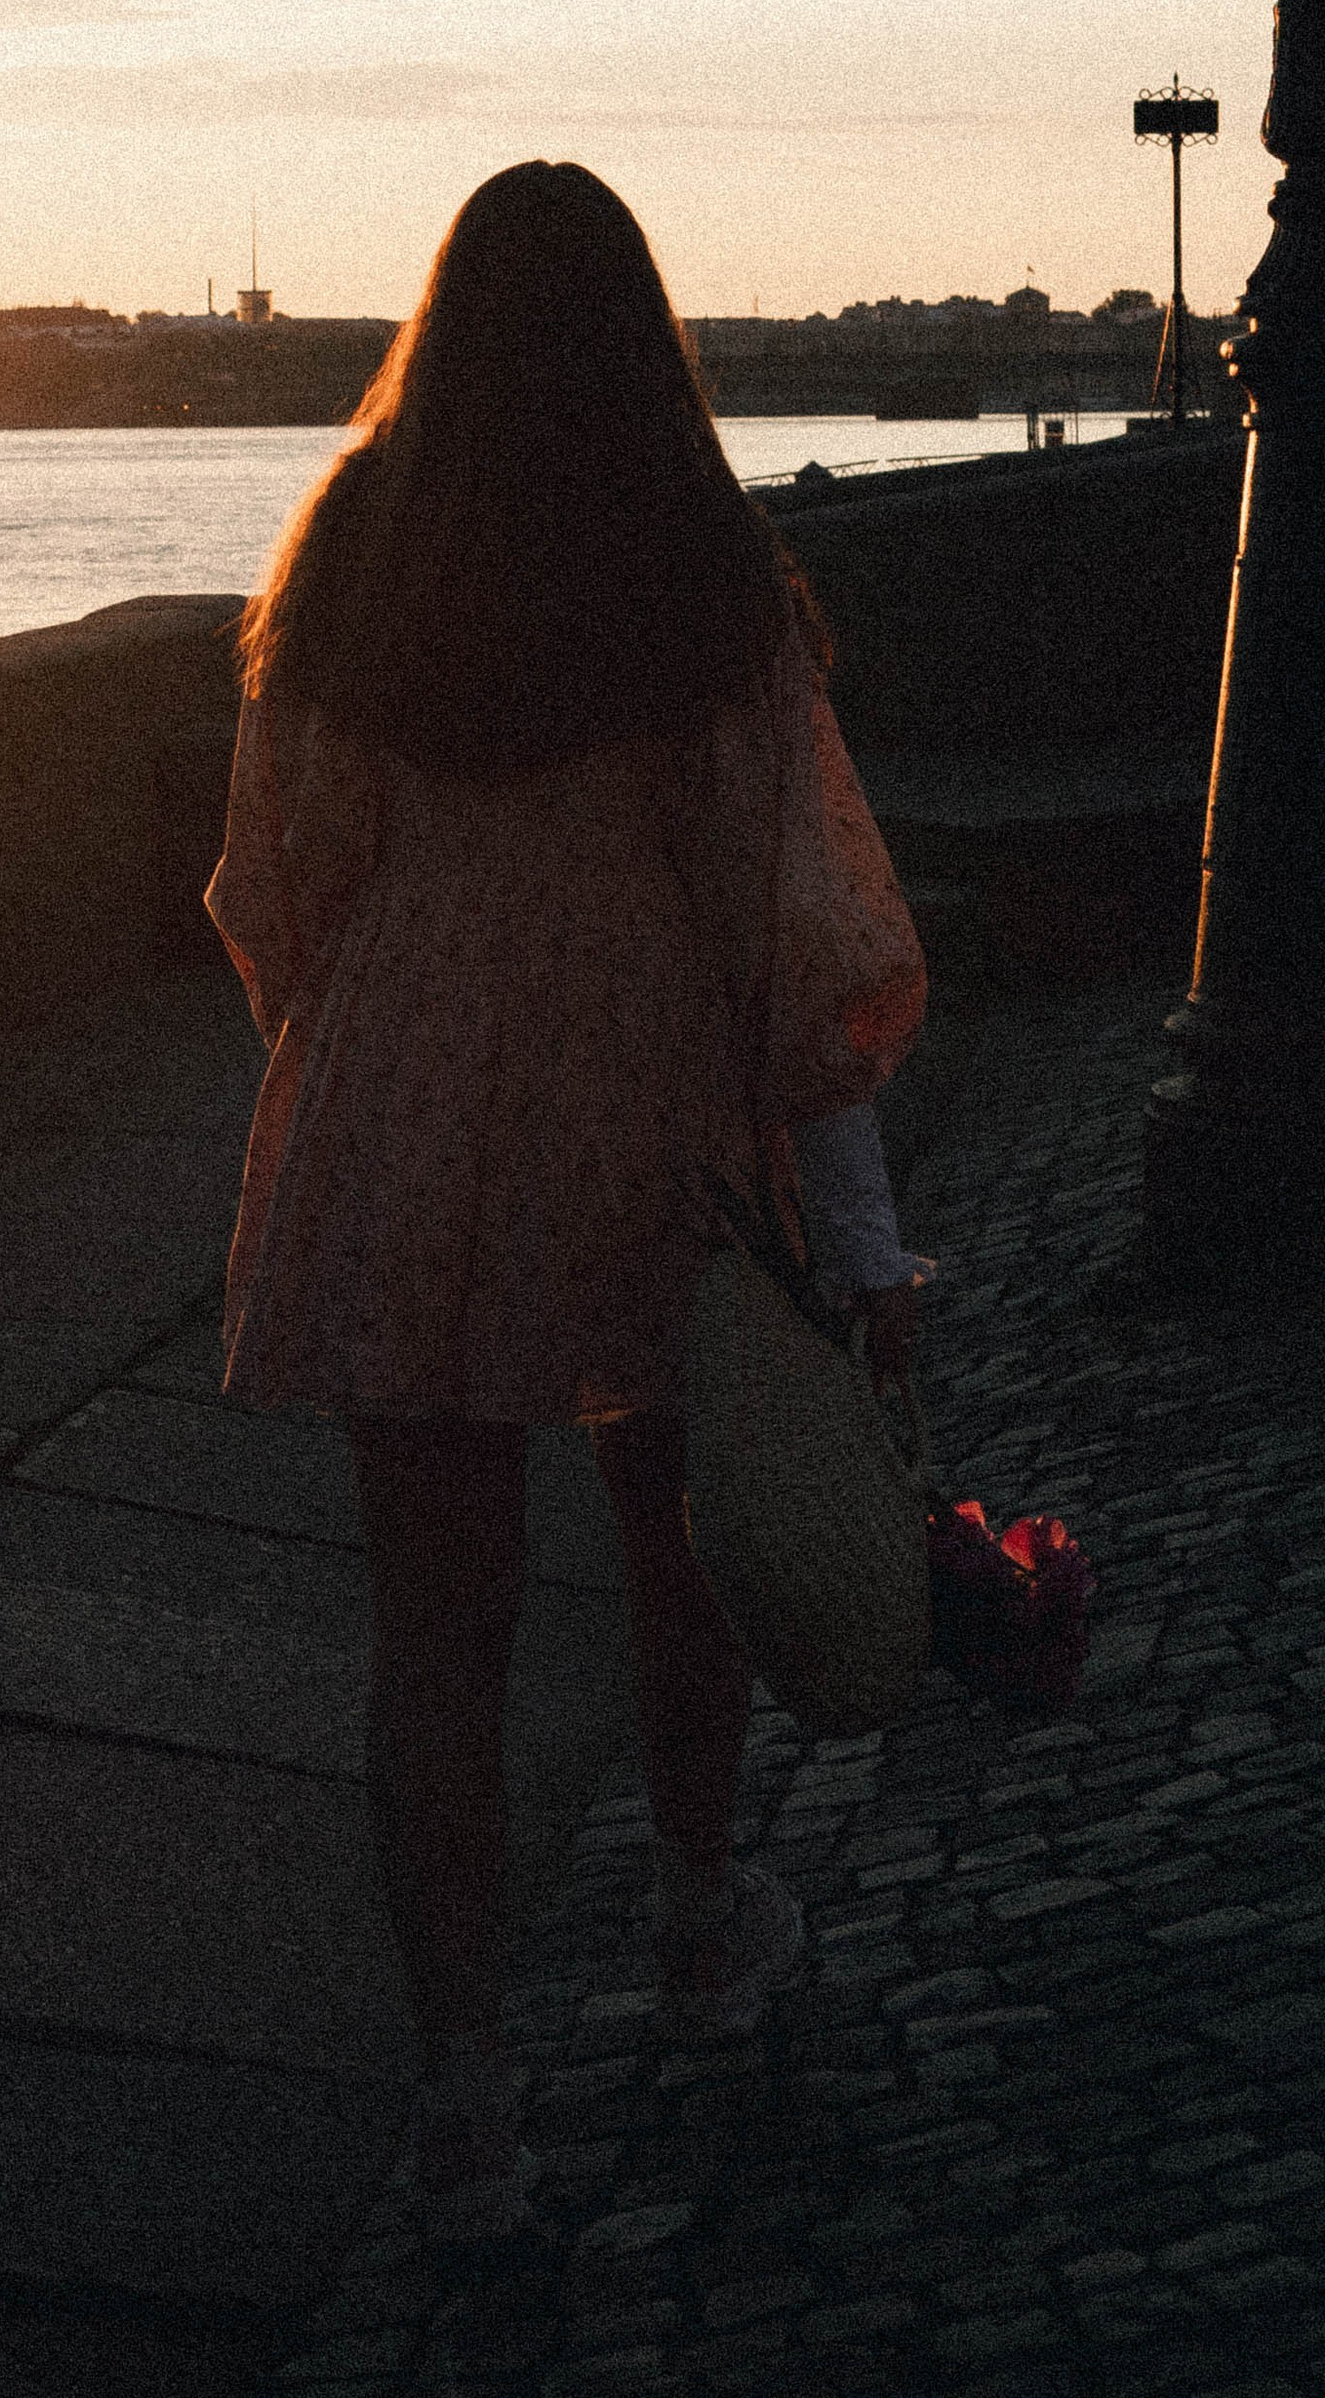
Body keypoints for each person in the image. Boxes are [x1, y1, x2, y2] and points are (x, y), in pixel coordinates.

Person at [206, 163, 925, 2272]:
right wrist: (850, 1226)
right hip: (648, 1125)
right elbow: (795, 928)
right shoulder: (707, 574)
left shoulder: (345, 565)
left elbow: (270, 885)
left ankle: (458, 2099)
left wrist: (368, 1022)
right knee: (677, 1560)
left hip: (399, 1120)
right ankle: (703, 1924)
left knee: (433, 1631)